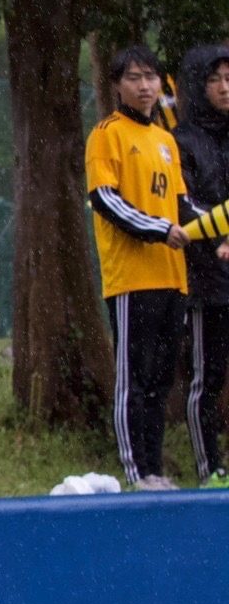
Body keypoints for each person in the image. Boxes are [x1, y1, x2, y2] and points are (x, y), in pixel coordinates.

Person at [86, 45, 191, 491]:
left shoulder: (166, 140)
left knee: (162, 379)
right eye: (134, 78)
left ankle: (155, 469)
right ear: (117, 85)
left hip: (173, 276)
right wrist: (159, 229)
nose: (144, 86)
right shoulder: (106, 134)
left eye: (150, 77)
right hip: (131, 278)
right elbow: (105, 200)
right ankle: (136, 471)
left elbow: (182, 206)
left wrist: (214, 231)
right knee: (134, 377)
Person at [173, 43, 229, 488]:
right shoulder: (180, 141)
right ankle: (210, 469)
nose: (225, 88)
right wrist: (221, 237)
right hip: (206, 279)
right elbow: (183, 205)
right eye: (214, 80)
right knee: (206, 378)